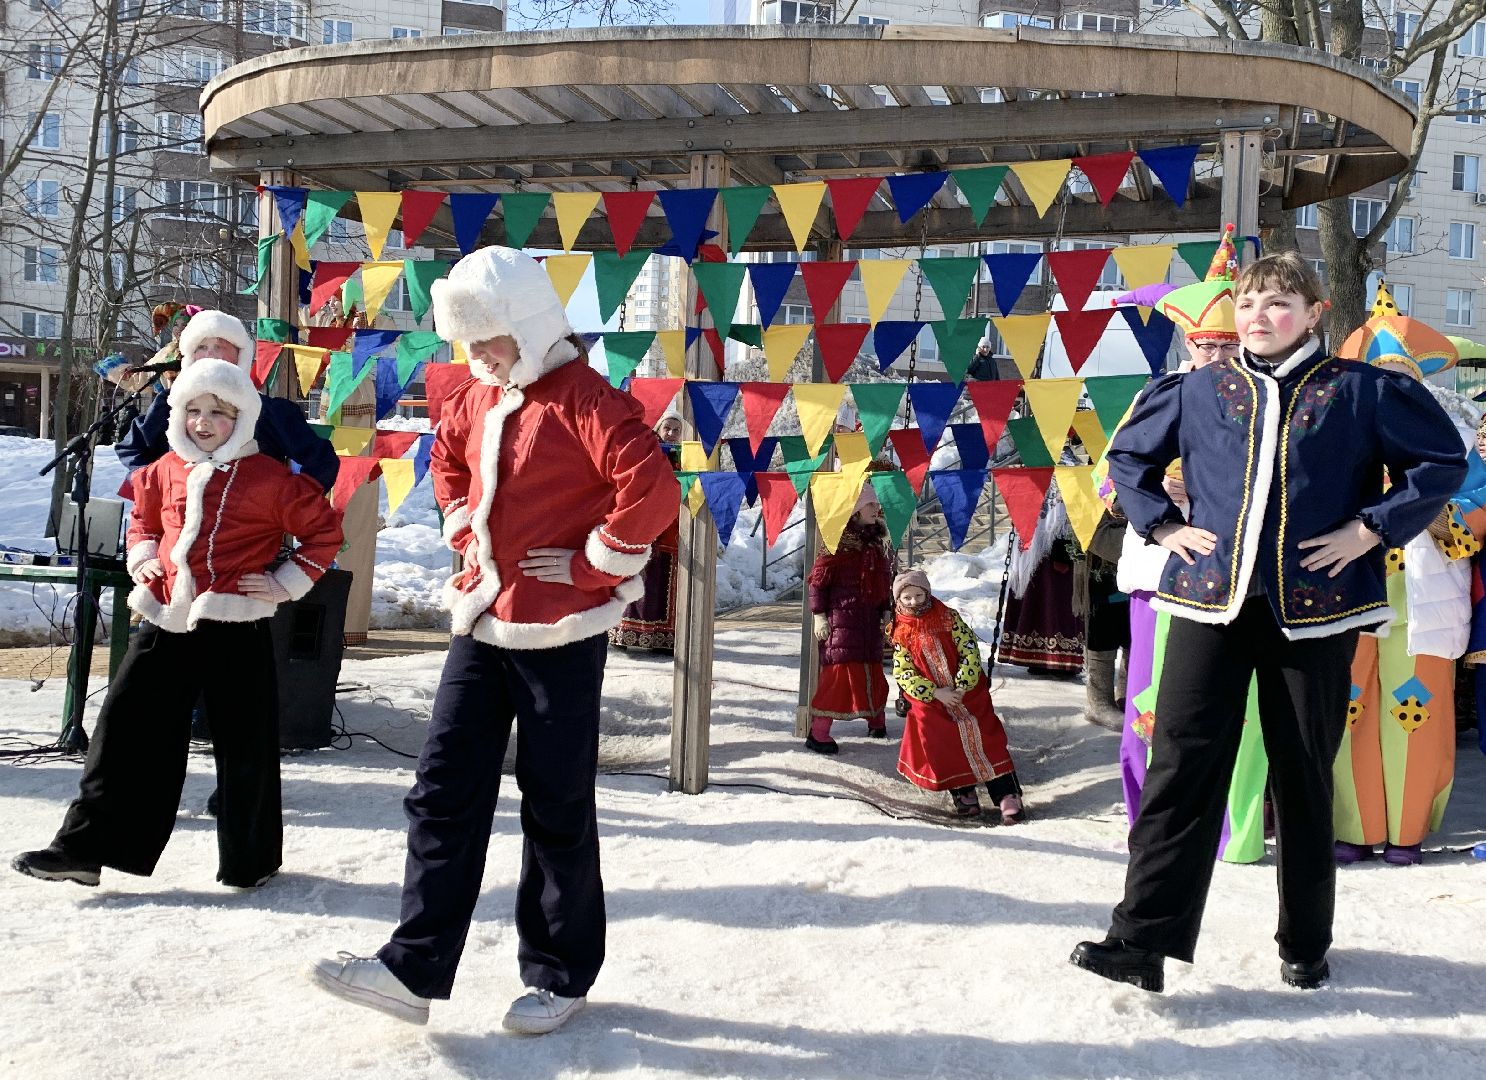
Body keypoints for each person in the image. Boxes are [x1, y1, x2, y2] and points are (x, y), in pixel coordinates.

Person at [1070, 251, 1467, 994]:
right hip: (1209, 604)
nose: (1259, 316)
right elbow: (1127, 459)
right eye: (1249, 304)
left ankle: (1306, 942)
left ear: (1315, 313)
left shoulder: (1361, 391)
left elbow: (1443, 460)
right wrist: (1162, 527)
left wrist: (1371, 529)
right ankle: (1141, 941)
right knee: (1180, 768)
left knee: (1303, 773)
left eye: (1279, 303)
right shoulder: (1197, 390)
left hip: (1315, 613)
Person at [310, 246, 679, 1034]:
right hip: (482, 621)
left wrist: (593, 564)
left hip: (563, 631)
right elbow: (446, 458)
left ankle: (559, 975)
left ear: (530, 322)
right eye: (468, 341)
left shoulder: (588, 398)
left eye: (489, 337)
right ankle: (411, 970)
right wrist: (459, 526)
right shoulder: (475, 397)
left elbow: (653, 492)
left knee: (555, 803)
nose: (477, 354)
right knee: (442, 788)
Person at [10, 358, 344, 889]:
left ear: (244, 417)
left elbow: (324, 534)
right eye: (193, 410)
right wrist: (143, 556)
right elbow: (143, 518)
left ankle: (251, 862)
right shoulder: (166, 467)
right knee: (123, 728)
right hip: (168, 618)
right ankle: (83, 849)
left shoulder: (271, 479)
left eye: (219, 412)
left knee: (246, 745)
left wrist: (284, 582)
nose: (203, 422)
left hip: (236, 623)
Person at [1114, 227, 1272, 865]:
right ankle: (1154, 829)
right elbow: (1114, 477)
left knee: (1241, 712)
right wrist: (1164, 510)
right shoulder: (1159, 394)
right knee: (1153, 706)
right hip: (1162, 574)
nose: (1221, 356)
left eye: (1232, 345)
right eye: (1210, 345)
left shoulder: (1266, 399)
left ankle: (1237, 833)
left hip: (1240, 580)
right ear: (1189, 342)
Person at [1331, 284, 1486, 866]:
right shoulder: (1337, 434)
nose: (1391, 386)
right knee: (1348, 707)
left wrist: (1427, 508)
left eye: (1401, 375)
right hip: (1351, 592)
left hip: (1426, 597)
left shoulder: (1457, 440)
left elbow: (1479, 507)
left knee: (1416, 713)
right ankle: (1354, 825)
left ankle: (1407, 830)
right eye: (1379, 375)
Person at [115, 309, 340, 494]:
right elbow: (132, 450)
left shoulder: (271, 411)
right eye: (202, 347)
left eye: (220, 347)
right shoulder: (169, 404)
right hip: (180, 529)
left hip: (250, 531)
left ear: (239, 356)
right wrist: (153, 491)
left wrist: (287, 503)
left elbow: (322, 462)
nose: (210, 355)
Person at [891, 569, 1025, 822]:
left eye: (919, 595)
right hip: (934, 700)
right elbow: (903, 671)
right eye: (907, 597)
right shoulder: (899, 630)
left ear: (927, 593)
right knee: (945, 743)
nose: (914, 602)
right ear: (899, 599)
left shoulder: (948, 618)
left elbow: (969, 650)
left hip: (967, 693)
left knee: (987, 740)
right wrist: (934, 692)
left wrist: (963, 686)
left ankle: (1006, 793)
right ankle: (964, 792)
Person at [805, 482, 895, 753]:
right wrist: (819, 615)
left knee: (873, 672)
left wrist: (886, 609)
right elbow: (817, 583)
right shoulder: (836, 544)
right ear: (855, 510)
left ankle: (876, 720)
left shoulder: (877, 543)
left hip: (869, 621)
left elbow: (883, 580)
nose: (876, 508)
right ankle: (818, 733)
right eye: (870, 504)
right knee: (839, 678)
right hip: (842, 623)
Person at [607, 410, 682, 653]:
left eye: (676, 430)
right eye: (667, 428)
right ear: (658, 429)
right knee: (633, 578)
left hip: (671, 529)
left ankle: (661, 639)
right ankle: (623, 634)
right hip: (643, 526)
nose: (671, 433)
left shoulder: (685, 458)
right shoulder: (646, 453)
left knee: (661, 583)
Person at [997, 485, 1084, 674]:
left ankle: (1060, 658)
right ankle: (1035, 658)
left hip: (1059, 544)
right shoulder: (1032, 475)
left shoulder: (1070, 475)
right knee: (1034, 597)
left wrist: (1066, 542)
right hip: (1031, 547)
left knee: (1058, 599)